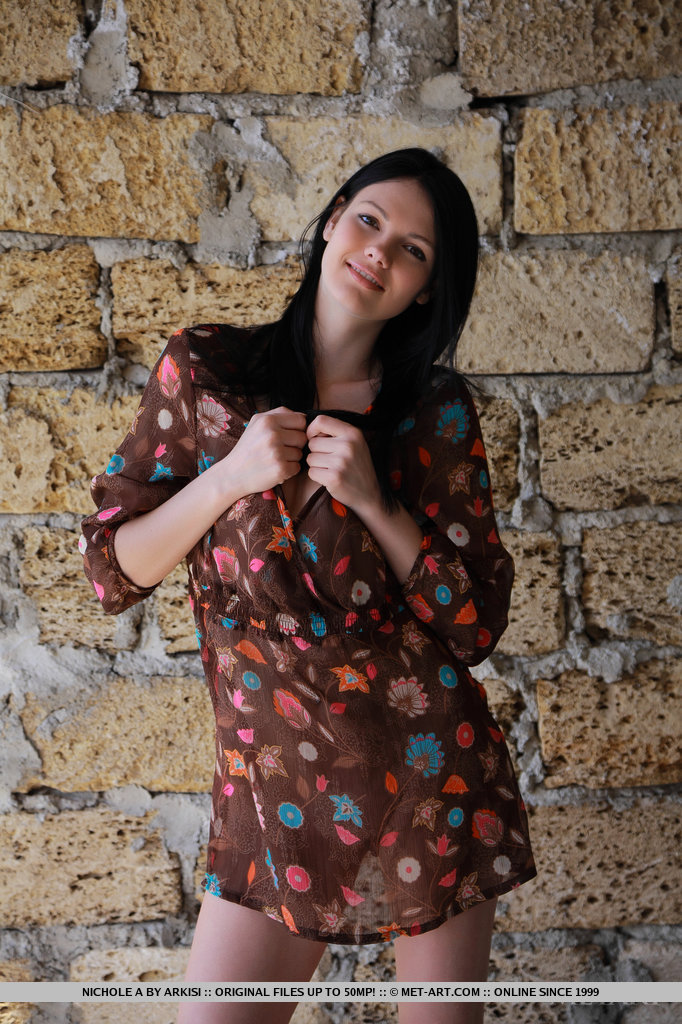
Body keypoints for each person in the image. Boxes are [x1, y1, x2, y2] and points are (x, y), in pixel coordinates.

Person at [80, 148, 536, 1024]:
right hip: (274, 799)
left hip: (429, 782)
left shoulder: (433, 412)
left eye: (414, 250)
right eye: (369, 220)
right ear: (332, 221)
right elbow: (111, 572)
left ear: (426, 291)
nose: (380, 251)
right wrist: (229, 477)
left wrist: (377, 503)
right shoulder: (208, 372)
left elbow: (476, 626)